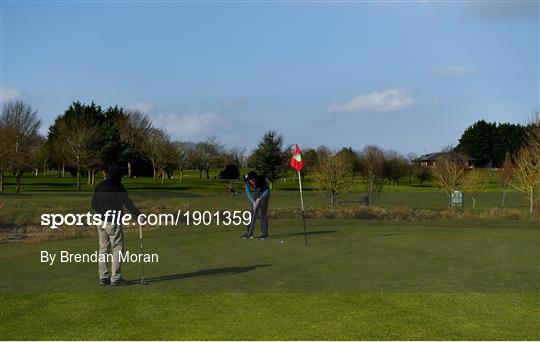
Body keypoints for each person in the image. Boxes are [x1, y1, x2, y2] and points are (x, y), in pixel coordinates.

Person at [91, 165, 141, 286]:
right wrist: (138, 215)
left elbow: (93, 204)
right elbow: (128, 202)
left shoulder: (100, 185)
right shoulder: (118, 186)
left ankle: (104, 277)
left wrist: (102, 212)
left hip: (100, 221)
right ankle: (116, 278)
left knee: (103, 249)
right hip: (112, 222)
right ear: (118, 175)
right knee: (118, 249)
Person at [242, 171, 270, 240]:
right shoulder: (246, 182)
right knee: (252, 214)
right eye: (252, 180)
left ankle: (265, 234)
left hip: (263, 195)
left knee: (262, 213)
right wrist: (254, 202)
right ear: (249, 179)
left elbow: (267, 191)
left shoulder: (261, 180)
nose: (254, 182)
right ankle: (249, 233)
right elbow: (248, 193)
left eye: (255, 180)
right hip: (254, 196)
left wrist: (260, 199)